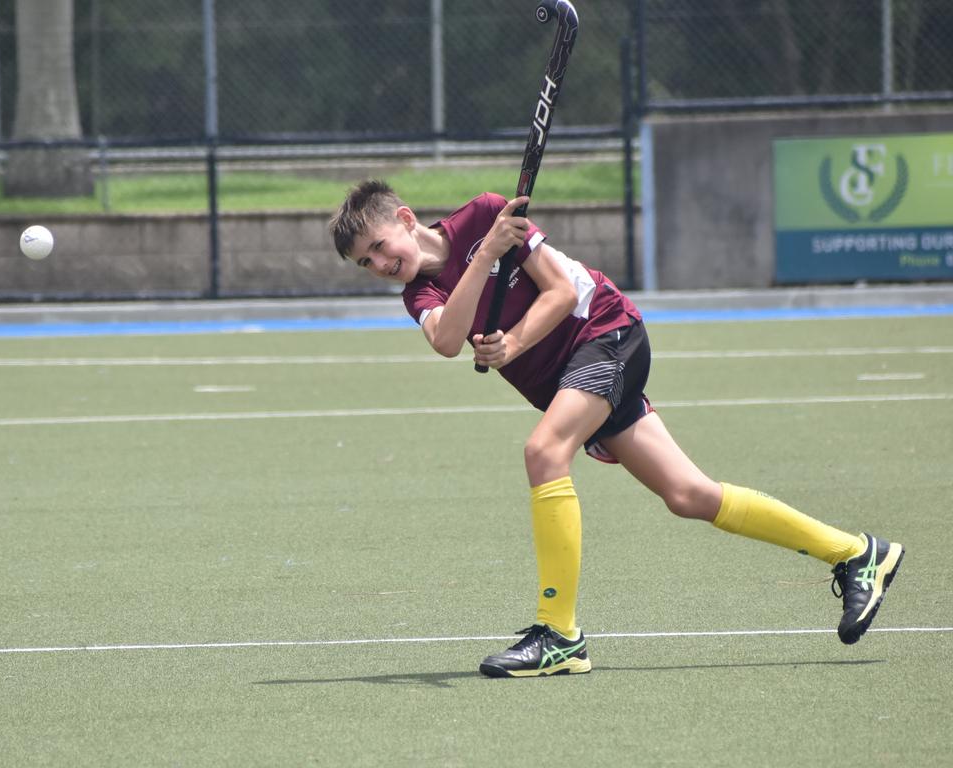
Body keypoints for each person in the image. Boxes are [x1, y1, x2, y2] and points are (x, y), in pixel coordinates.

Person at [328, 179, 905, 678]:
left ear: (405, 220)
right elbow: (448, 341)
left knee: (544, 451)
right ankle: (857, 554)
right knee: (689, 495)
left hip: (605, 333)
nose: (379, 264)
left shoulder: (487, 213)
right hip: (570, 380)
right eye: (365, 263)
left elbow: (559, 291)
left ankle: (558, 635)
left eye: (378, 247)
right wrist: (486, 266)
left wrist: (513, 335)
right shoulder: (420, 292)